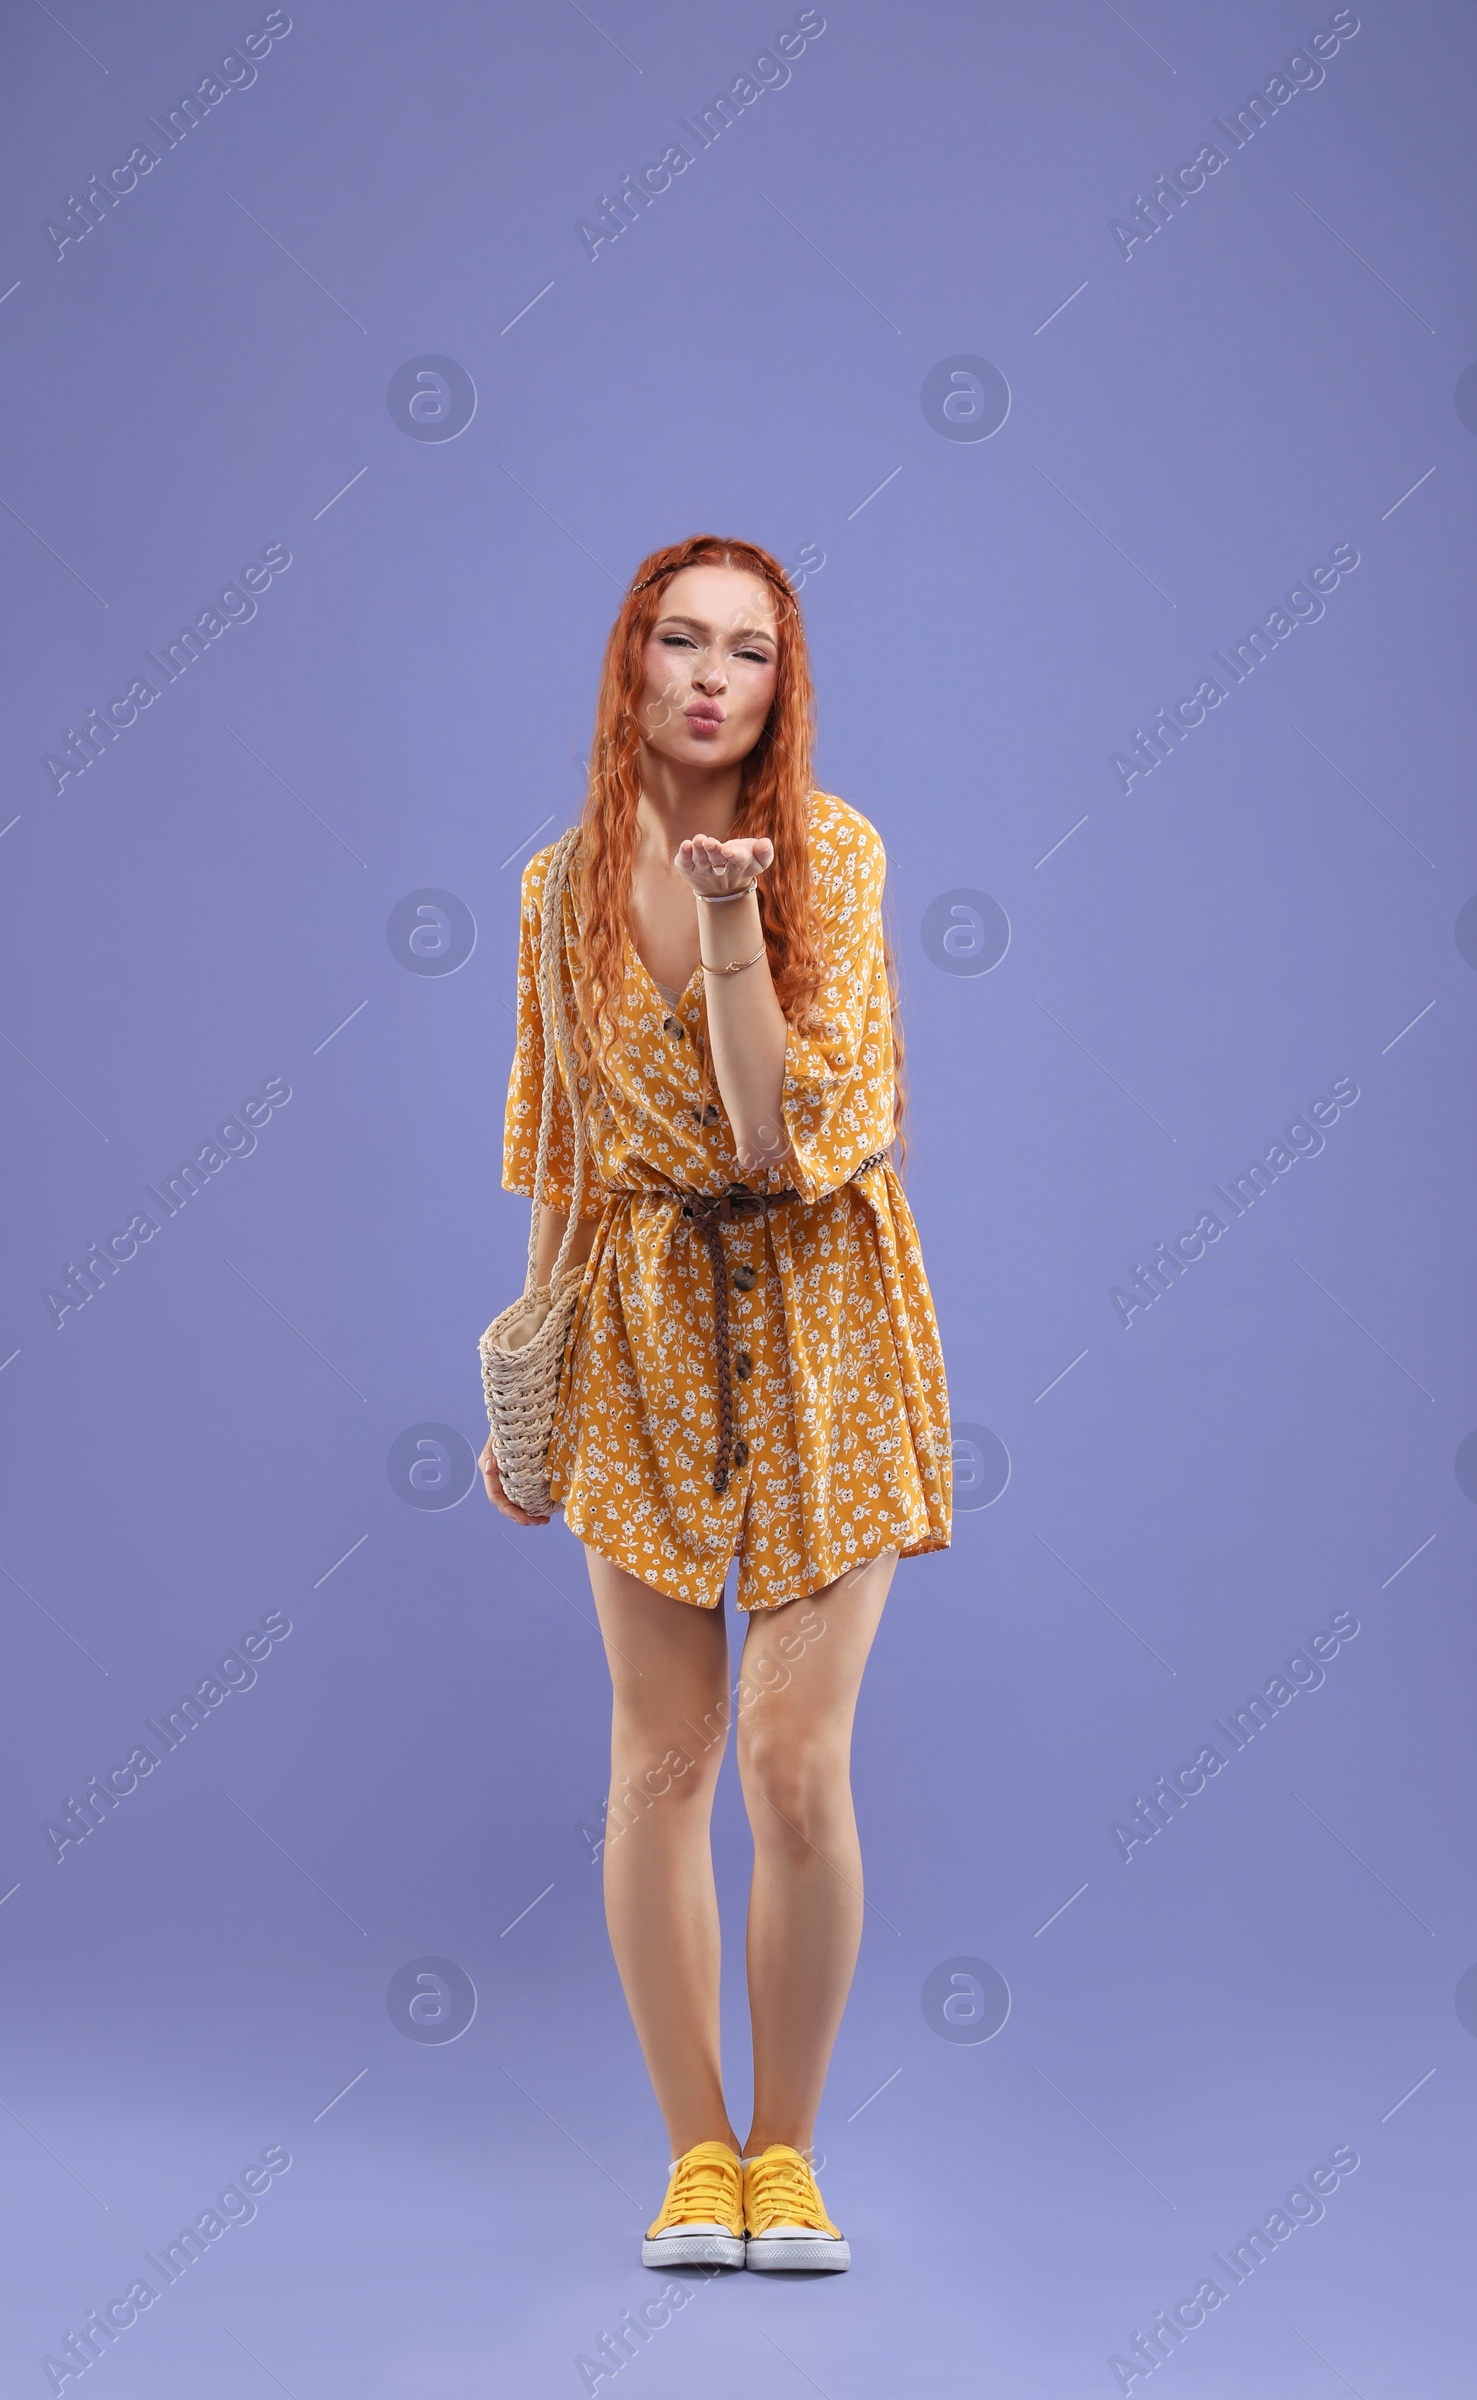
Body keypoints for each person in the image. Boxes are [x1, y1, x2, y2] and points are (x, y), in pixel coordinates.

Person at [479, 534, 952, 2273]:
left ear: (782, 684)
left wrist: (739, 912)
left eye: (744, 651)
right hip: (643, 1332)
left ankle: (790, 2158)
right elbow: (567, 1155)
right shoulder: (555, 887)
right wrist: (528, 1376)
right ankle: (696, 2158)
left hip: (828, 1324)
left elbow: (775, 1138)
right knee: (660, 1760)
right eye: (678, 640)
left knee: (792, 1767)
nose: (707, 675)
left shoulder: (835, 856)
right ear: (632, 664)